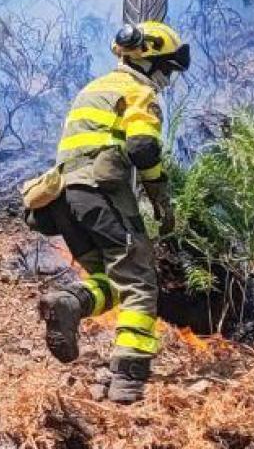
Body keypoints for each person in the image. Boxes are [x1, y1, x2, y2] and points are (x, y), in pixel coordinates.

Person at [32, 21, 189, 404]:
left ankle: (70, 303)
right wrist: (161, 198)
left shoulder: (94, 88)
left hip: (64, 199)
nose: (167, 77)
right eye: (166, 67)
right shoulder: (139, 91)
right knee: (140, 282)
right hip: (102, 193)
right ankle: (129, 380)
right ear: (149, 60)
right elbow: (143, 149)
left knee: (112, 280)